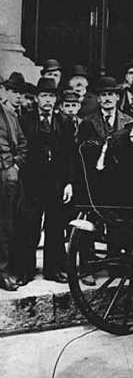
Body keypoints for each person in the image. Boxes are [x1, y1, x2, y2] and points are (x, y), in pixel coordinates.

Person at [17, 77, 75, 284]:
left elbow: (70, 155)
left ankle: (54, 269)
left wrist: (68, 183)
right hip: (32, 182)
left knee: (56, 226)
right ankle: (25, 270)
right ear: (37, 98)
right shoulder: (25, 120)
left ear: (56, 99)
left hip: (56, 182)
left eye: (51, 96)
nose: (48, 101)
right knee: (29, 226)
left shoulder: (64, 122)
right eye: (44, 96)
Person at [0, 95, 27, 290]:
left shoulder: (9, 115)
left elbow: (23, 144)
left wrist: (15, 166)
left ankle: (4, 270)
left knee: (6, 225)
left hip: (7, 178)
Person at [77, 76, 132, 143]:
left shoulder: (128, 121)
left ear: (117, 97)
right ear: (98, 99)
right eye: (103, 95)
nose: (107, 99)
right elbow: (82, 148)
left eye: (110, 94)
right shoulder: (87, 122)